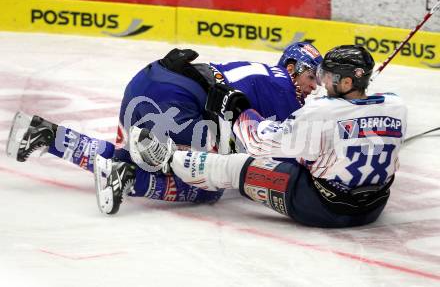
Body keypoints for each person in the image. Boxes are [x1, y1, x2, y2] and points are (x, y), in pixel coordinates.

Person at [7, 42, 323, 214]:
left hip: (147, 82)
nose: (313, 87)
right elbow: (286, 155)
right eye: (311, 78)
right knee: (208, 185)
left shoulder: (267, 76)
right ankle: (131, 178)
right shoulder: (285, 93)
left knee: (125, 155)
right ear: (292, 68)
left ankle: (46, 134)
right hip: (177, 99)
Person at [122, 45, 407, 228]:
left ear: (346, 82)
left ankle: (168, 158)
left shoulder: (320, 112)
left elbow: (261, 142)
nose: (322, 85)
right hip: (374, 209)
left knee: (236, 165)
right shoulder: (396, 105)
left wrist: (241, 109)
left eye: (329, 77)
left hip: (323, 208)